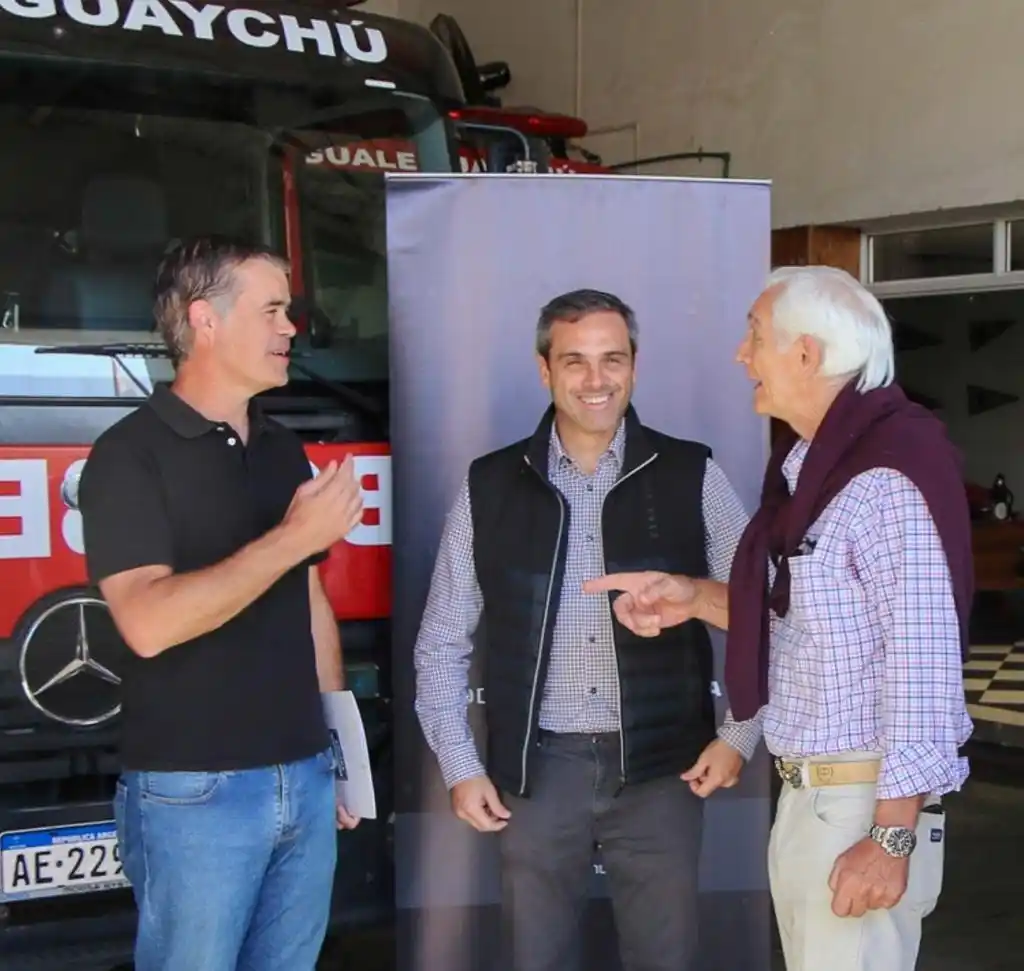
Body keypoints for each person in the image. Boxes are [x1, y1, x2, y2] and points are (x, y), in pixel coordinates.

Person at [587, 265, 974, 971]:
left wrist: (891, 839)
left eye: (755, 335)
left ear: (807, 353)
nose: (742, 354)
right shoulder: (814, 470)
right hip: (816, 803)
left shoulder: (884, 479)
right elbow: (801, 622)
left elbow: (922, 665)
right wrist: (693, 597)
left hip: (861, 807)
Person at [413, 288, 757, 971]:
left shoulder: (693, 473)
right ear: (544, 370)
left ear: (635, 365)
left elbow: (761, 611)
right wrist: (459, 764)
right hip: (539, 772)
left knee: (667, 960)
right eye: (575, 361)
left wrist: (739, 734)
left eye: (612, 359)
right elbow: (442, 640)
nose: (596, 380)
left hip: (664, 771)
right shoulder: (490, 484)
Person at [79, 236, 365, 971]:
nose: (291, 327)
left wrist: (338, 754)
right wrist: (293, 535)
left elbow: (310, 599)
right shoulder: (128, 454)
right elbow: (147, 622)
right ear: (204, 320)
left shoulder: (281, 449)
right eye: (273, 309)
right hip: (194, 792)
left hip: (303, 777)